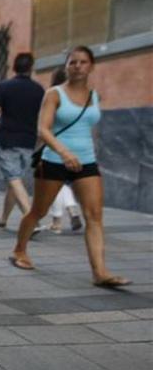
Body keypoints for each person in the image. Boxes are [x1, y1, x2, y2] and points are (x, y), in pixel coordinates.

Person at [10, 46, 131, 289]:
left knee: (94, 216)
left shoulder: (94, 96)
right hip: (54, 160)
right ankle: (19, 250)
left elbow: (90, 128)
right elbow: (43, 129)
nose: (77, 66)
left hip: (85, 162)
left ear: (91, 66)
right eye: (73, 62)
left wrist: (89, 154)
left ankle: (100, 271)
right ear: (66, 66)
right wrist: (64, 152)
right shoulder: (54, 94)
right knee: (38, 211)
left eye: (83, 62)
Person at [0, 53, 45, 229]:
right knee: (15, 180)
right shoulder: (39, 90)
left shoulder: (4, 87)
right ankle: (3, 218)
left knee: (13, 178)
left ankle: (31, 219)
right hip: (29, 143)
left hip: (8, 140)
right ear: (31, 67)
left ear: (14, 67)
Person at [45, 66, 83, 234]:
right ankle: (72, 208)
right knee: (65, 182)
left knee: (54, 183)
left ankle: (57, 221)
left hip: (57, 145)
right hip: (77, 144)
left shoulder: (53, 97)